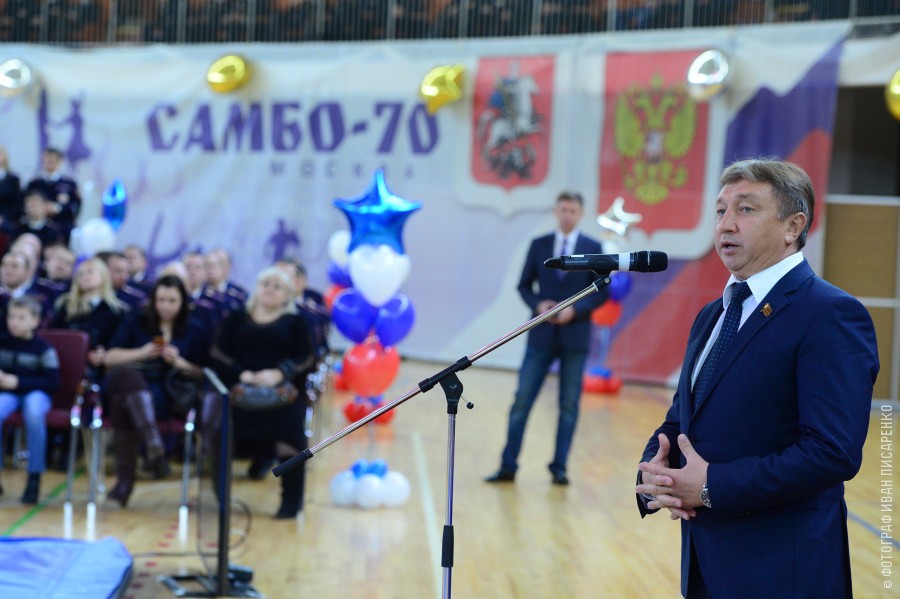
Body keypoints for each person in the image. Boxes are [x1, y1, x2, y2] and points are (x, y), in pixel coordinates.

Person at [634, 159, 879, 599]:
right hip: (705, 564)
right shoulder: (713, 314)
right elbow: (681, 421)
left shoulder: (830, 314)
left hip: (782, 571)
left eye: (745, 209)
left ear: (793, 227)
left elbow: (832, 453)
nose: (725, 224)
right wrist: (656, 474)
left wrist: (710, 487)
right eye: (720, 211)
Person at [485, 191, 606, 486]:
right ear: (555, 211)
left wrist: (575, 310)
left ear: (581, 213)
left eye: (572, 210)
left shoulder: (593, 248)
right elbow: (524, 286)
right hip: (541, 335)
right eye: (563, 209)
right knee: (522, 400)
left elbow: (602, 291)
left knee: (569, 406)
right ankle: (508, 464)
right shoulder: (539, 245)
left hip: (575, 338)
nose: (567, 215)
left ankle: (559, 466)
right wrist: (539, 304)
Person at [209, 267, 314, 518]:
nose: (270, 289)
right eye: (265, 283)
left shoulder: (296, 322)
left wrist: (279, 373)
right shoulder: (237, 317)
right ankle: (222, 500)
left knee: (292, 431)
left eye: (277, 286)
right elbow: (217, 352)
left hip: (282, 395)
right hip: (239, 391)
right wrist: (241, 373)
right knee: (218, 426)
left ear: (288, 295)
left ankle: (290, 502)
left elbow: (308, 357)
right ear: (256, 288)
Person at [101, 274, 208, 507]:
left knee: (123, 402)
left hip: (169, 391)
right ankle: (152, 440)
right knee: (125, 376)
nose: (165, 306)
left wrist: (179, 362)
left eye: (172, 301)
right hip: (133, 381)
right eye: (160, 300)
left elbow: (205, 373)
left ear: (183, 302)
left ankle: (125, 483)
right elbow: (109, 357)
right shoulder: (136, 320)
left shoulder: (195, 328)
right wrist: (142, 353)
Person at [0, 296, 60, 504]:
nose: (14, 322)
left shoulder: (43, 348)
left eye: (21, 318)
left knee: (34, 414)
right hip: (7, 393)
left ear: (35, 321)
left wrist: (18, 382)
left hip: (37, 392)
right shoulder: (3, 342)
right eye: (11, 317)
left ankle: (34, 476)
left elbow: (52, 382)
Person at [51, 258, 125, 383]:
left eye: (90, 272)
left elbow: (119, 341)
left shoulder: (117, 310)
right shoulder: (65, 305)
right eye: (80, 274)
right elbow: (55, 335)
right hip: (67, 362)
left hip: (101, 368)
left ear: (103, 275)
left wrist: (104, 354)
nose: (84, 277)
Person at [24, 147, 81, 242]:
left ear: (59, 162)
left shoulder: (69, 184)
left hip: (62, 224)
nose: (48, 163)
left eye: (51, 161)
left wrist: (57, 208)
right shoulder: (34, 183)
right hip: (37, 226)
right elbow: (25, 202)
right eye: (46, 161)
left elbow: (75, 206)